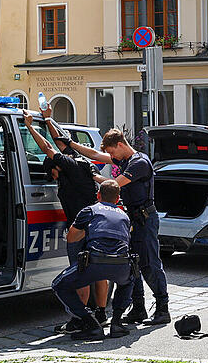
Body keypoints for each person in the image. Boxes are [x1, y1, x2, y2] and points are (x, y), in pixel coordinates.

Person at [65, 128, 171, 325]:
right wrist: (71, 144)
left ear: (120, 145)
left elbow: (115, 185)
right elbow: (96, 155)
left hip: (145, 220)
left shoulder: (139, 163)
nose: (111, 157)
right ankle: (138, 309)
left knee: (149, 264)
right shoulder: (125, 160)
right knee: (131, 264)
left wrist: (95, 177)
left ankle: (162, 308)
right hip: (131, 220)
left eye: (112, 152)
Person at [22, 109, 110, 329]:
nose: (53, 178)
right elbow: (61, 142)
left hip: (81, 227)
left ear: (57, 168)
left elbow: (48, 148)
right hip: (96, 224)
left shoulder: (68, 167)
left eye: (52, 174)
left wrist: (30, 126)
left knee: (81, 270)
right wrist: (49, 118)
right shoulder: (80, 163)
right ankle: (100, 313)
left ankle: (81, 318)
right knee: (97, 268)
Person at [51, 180, 136, 340]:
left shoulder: (90, 210)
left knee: (59, 285)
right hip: (121, 265)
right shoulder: (124, 215)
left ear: (98, 195)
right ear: (117, 199)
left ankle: (90, 323)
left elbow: (71, 238)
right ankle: (116, 323)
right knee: (128, 281)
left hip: (95, 263)